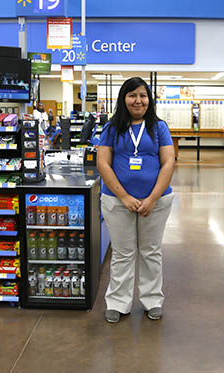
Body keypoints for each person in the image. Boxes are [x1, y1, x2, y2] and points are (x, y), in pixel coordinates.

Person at [97, 77, 175, 323]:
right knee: (122, 253)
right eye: (132, 95)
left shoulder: (159, 127)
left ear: (149, 99)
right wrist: (124, 196)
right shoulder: (111, 128)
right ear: (124, 99)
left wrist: (152, 198)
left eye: (142, 95)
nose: (138, 100)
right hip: (117, 202)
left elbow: (169, 162)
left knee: (151, 252)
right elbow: (103, 163)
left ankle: (152, 300)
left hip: (157, 202)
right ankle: (118, 302)